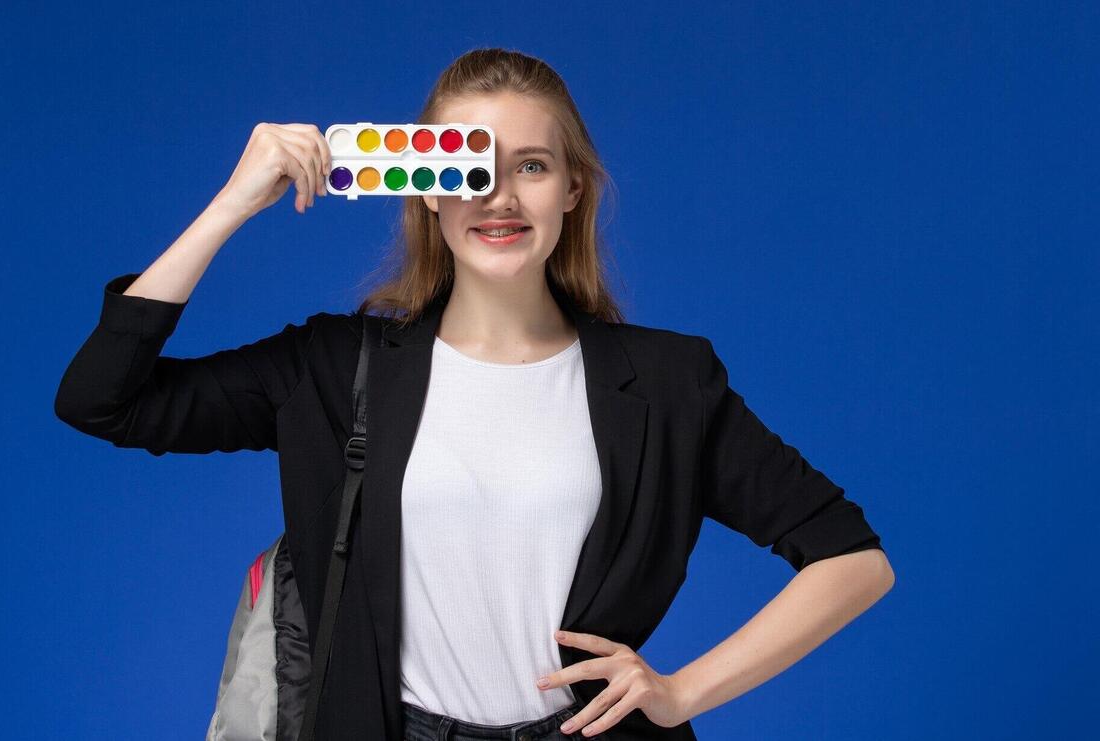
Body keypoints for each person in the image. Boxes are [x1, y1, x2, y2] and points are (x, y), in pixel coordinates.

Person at [55, 48, 893, 741]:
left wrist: (681, 690)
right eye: (468, 166)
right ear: (422, 184)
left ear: (571, 188)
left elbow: (853, 558)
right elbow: (103, 400)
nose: (498, 195)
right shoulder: (332, 366)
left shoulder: (670, 382)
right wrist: (233, 204)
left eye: (530, 165)